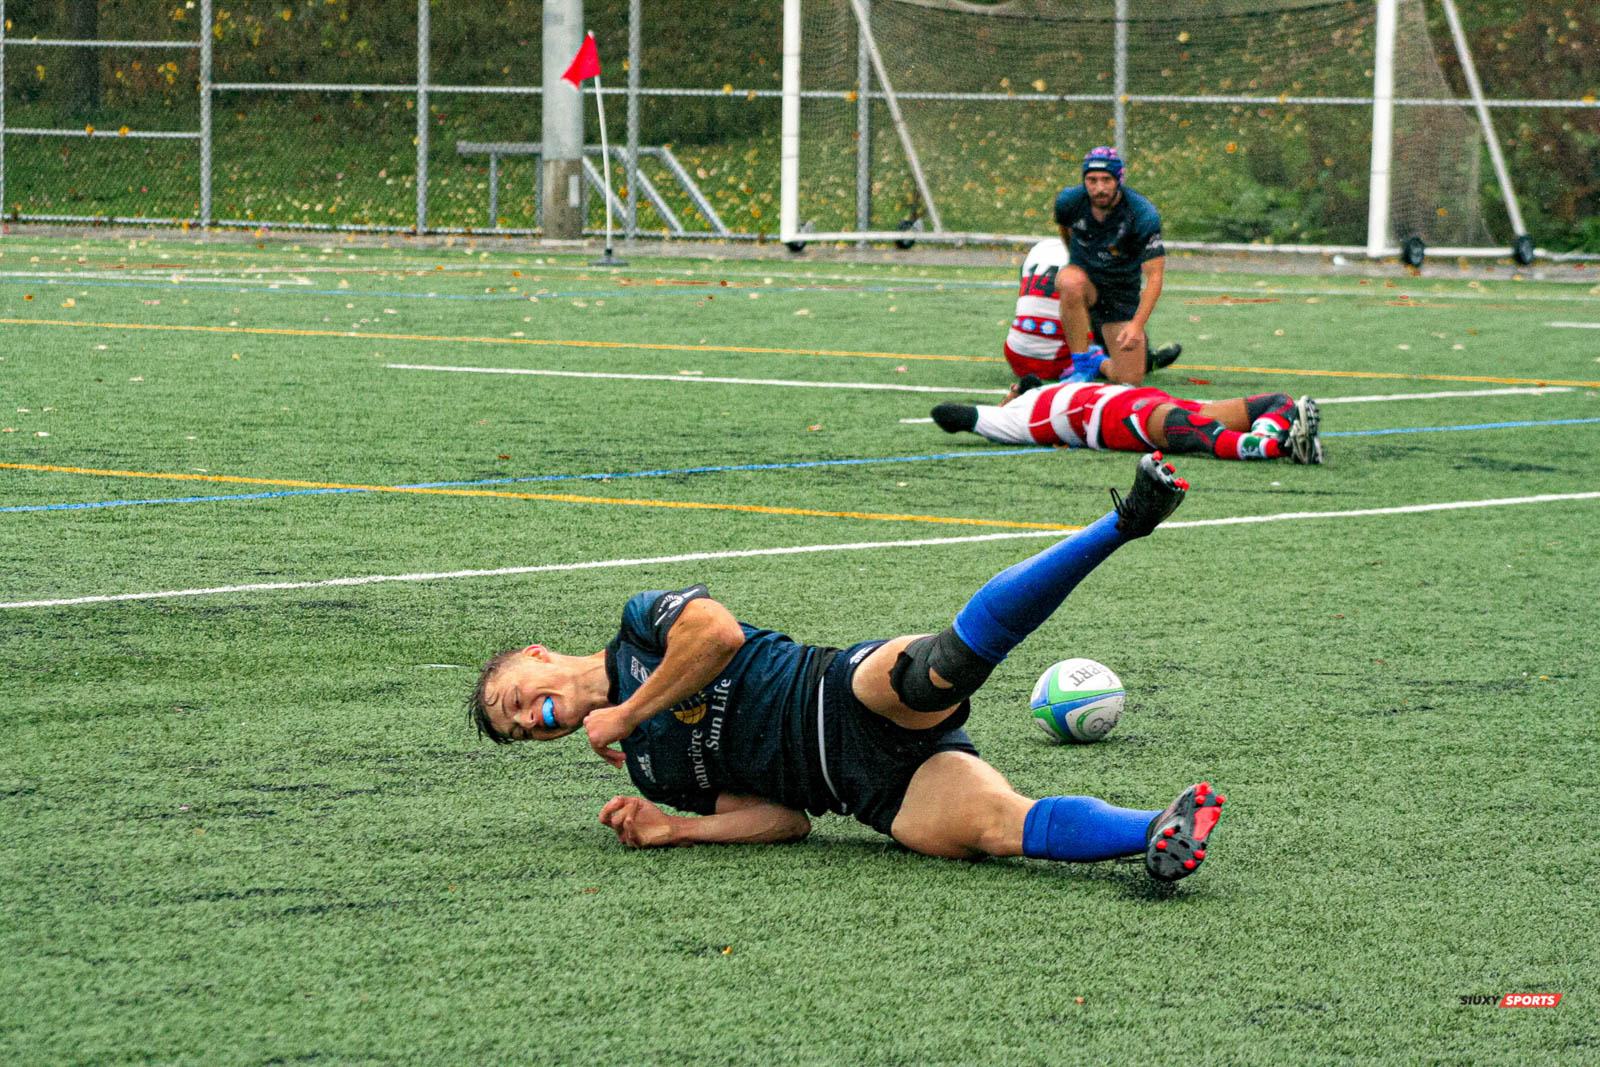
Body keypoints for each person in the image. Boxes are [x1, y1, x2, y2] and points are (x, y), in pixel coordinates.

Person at [467, 455, 1226, 884]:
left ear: (538, 654)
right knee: (996, 829)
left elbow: (719, 633)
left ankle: (1122, 521)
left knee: (936, 670)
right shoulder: (650, 771)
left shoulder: (639, 626)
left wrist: (630, 710)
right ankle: (1156, 830)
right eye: (525, 729)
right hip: (865, 791)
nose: (537, 719)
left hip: (837, 692)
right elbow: (783, 819)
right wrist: (675, 829)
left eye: (518, 700)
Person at [932, 377, 1324, 465]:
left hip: (1146, 397)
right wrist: (996, 409)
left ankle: (1274, 430)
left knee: (1276, 401)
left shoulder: (1052, 384)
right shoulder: (1013, 420)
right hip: (1110, 418)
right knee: (1190, 431)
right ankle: (1276, 445)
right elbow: (948, 415)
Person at [1052, 146, 1171, 386]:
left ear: (1119, 180)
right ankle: (1081, 363)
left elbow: (1155, 276)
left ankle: (1098, 361)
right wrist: (1076, 262)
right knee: (1069, 280)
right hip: (1087, 283)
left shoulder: (1142, 213)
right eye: (1091, 180)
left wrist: (1137, 325)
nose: (1099, 188)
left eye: (1106, 180)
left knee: (1129, 381)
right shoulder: (1069, 201)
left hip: (1120, 294)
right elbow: (1065, 229)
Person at [1006, 236, 1182, 383]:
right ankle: (1141, 361)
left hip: (1016, 355)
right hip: (1059, 360)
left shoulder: (1043, 246)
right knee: (1113, 319)